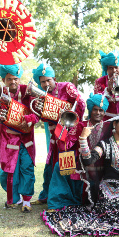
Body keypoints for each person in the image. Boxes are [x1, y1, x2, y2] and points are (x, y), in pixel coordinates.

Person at [30, 62, 86, 208]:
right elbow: (43, 116)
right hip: (54, 134)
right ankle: (47, 194)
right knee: (51, 163)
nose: (46, 83)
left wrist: (66, 116)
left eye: (48, 80)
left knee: (65, 163)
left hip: (68, 134)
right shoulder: (42, 95)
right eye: (42, 82)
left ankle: (66, 198)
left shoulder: (67, 87)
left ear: (54, 78)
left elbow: (80, 103)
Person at [50, 93, 110, 209]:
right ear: (90, 110)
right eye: (95, 110)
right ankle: (61, 201)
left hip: (102, 162)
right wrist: (63, 126)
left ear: (104, 112)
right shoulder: (80, 125)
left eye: (101, 110)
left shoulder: (108, 126)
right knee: (60, 165)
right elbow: (66, 145)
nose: (98, 113)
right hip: (81, 161)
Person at [0, 64, 39, 213]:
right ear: (4, 79)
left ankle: (26, 200)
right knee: (8, 172)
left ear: (19, 78)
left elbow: (37, 113)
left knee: (27, 169)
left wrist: (27, 118)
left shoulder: (27, 92)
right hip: (8, 141)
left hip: (26, 140)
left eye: (15, 78)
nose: (13, 82)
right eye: (9, 79)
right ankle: (14, 198)